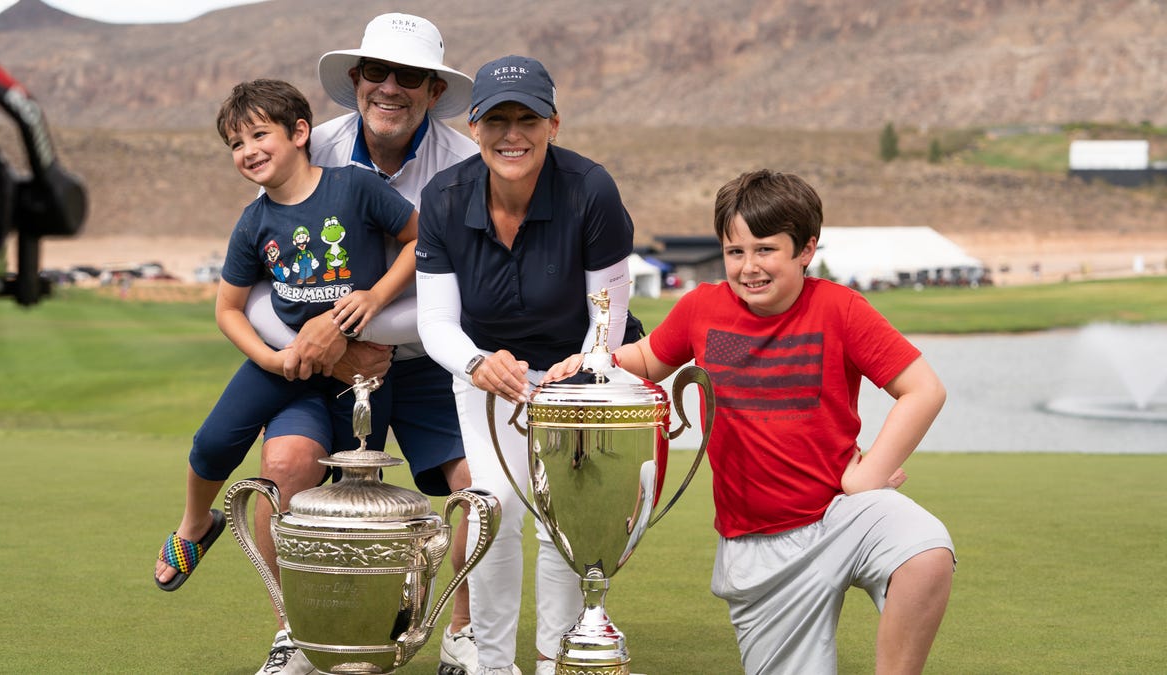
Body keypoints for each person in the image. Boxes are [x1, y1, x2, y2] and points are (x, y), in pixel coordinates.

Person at [545, 169, 955, 675]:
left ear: (805, 249)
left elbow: (923, 389)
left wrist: (865, 478)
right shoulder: (704, 310)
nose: (748, 267)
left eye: (765, 250)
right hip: (758, 550)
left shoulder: (841, 308)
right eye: (735, 251)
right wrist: (588, 363)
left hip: (840, 514)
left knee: (926, 550)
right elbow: (645, 360)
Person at [238, 13, 482, 675]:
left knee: (479, 488)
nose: (391, 87)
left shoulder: (465, 164)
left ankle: (462, 634)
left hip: (430, 355)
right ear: (356, 79)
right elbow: (255, 282)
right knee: (284, 466)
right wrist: (320, 345)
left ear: (434, 89)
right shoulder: (305, 147)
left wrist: (359, 329)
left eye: (411, 76)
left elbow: (457, 291)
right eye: (378, 72)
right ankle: (298, 632)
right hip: (320, 361)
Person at [153, 79, 417, 604]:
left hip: (359, 376)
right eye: (235, 144)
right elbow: (228, 310)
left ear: (300, 132)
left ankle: (348, 607)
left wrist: (376, 296)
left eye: (258, 134)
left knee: (350, 487)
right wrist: (274, 359)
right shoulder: (253, 222)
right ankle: (194, 525)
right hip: (287, 368)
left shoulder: (356, 188)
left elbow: (419, 240)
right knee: (211, 442)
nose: (248, 151)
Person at [416, 55, 638, 675]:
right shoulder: (444, 196)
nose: (512, 133)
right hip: (490, 374)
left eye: (528, 118)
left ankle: (555, 660)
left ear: (554, 124)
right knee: (494, 508)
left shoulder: (591, 188)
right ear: (476, 126)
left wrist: (584, 366)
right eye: (496, 119)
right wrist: (478, 363)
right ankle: (492, 663)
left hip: (582, 374)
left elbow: (609, 314)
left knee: (562, 521)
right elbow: (436, 322)